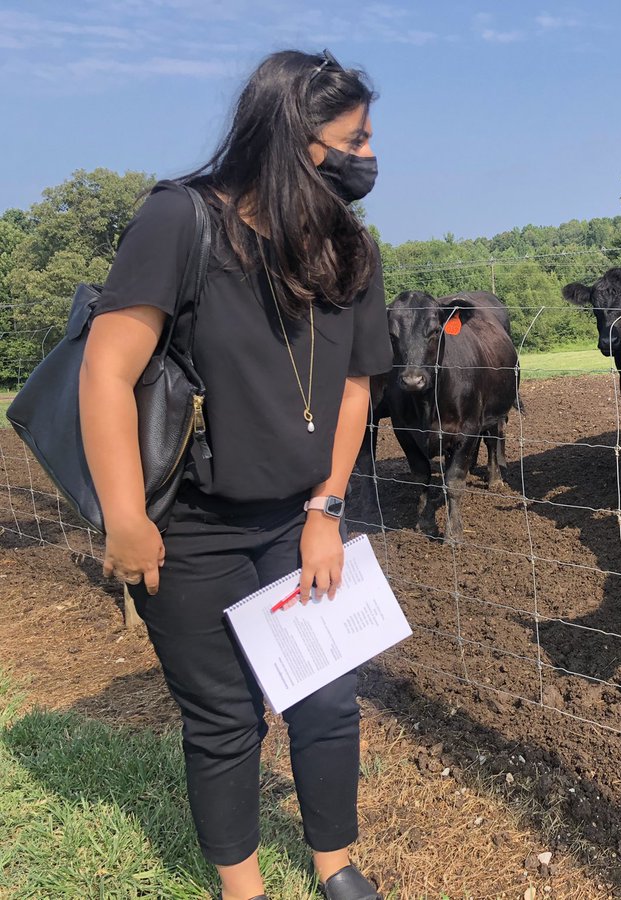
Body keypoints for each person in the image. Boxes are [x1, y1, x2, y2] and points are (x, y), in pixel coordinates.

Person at [79, 49, 391, 900]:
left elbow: (357, 389)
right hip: (189, 525)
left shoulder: (347, 250)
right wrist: (124, 515)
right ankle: (242, 889)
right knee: (224, 719)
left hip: (299, 520)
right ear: (292, 138)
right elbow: (105, 372)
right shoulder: (182, 223)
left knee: (327, 700)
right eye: (353, 138)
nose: (369, 156)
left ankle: (335, 869)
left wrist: (326, 509)